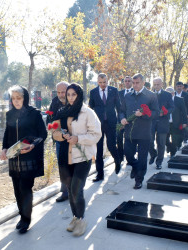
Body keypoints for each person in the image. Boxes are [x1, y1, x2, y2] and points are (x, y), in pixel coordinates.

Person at [52, 83, 101, 236]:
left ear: (79, 95)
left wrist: (77, 138)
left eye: (74, 94)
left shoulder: (88, 113)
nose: (71, 98)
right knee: (69, 187)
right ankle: (75, 217)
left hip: (82, 157)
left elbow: (96, 135)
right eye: (69, 95)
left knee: (76, 190)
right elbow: (55, 132)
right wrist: (62, 135)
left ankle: (81, 220)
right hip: (65, 157)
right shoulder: (62, 111)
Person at [0, 85, 47, 234]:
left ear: (25, 98)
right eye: (13, 98)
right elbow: (7, 134)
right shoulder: (10, 114)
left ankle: (25, 220)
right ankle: (22, 216)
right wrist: (4, 149)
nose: (16, 101)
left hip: (29, 158)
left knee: (25, 189)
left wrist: (33, 145)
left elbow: (43, 134)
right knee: (17, 190)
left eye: (18, 98)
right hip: (14, 159)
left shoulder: (34, 114)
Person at [120, 73, 159, 189]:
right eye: (133, 83)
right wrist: (122, 118)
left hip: (144, 132)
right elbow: (121, 110)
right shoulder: (127, 96)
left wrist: (143, 114)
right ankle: (135, 167)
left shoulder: (151, 96)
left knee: (142, 158)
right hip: (129, 132)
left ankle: (139, 179)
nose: (135, 85)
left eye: (137, 83)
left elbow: (156, 113)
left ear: (143, 82)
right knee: (128, 154)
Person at [89, 73, 121, 182]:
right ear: (98, 82)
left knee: (111, 145)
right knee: (98, 149)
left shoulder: (114, 90)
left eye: (104, 82)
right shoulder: (93, 92)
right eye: (100, 82)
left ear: (108, 81)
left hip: (111, 123)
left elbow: (119, 107)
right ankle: (100, 174)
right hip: (98, 124)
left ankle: (117, 161)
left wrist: (121, 119)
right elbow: (91, 108)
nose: (103, 84)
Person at [47, 81, 69, 203]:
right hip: (60, 139)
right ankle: (64, 191)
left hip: (73, 139)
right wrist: (51, 127)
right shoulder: (55, 101)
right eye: (59, 92)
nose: (61, 95)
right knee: (62, 165)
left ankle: (74, 190)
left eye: (63, 92)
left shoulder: (74, 100)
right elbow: (49, 118)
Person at [149, 77, 174, 170]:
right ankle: (153, 153)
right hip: (151, 122)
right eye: (154, 84)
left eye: (158, 84)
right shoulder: (150, 94)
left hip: (163, 122)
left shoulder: (167, 95)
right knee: (149, 141)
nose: (156, 86)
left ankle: (159, 162)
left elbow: (172, 107)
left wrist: (165, 112)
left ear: (162, 84)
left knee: (161, 143)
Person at [165, 87, 187, 157]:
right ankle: (169, 146)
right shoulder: (164, 100)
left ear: (173, 93)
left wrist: (184, 122)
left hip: (176, 123)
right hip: (165, 123)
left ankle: (172, 153)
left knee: (174, 139)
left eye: (169, 93)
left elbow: (184, 111)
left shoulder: (179, 100)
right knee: (165, 139)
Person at [117, 76, 133, 162]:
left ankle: (129, 158)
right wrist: (120, 120)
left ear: (132, 82)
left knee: (129, 140)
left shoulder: (134, 93)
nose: (127, 82)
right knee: (119, 139)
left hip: (131, 120)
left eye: (129, 81)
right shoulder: (119, 93)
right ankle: (120, 157)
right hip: (120, 120)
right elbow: (117, 108)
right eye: (126, 81)